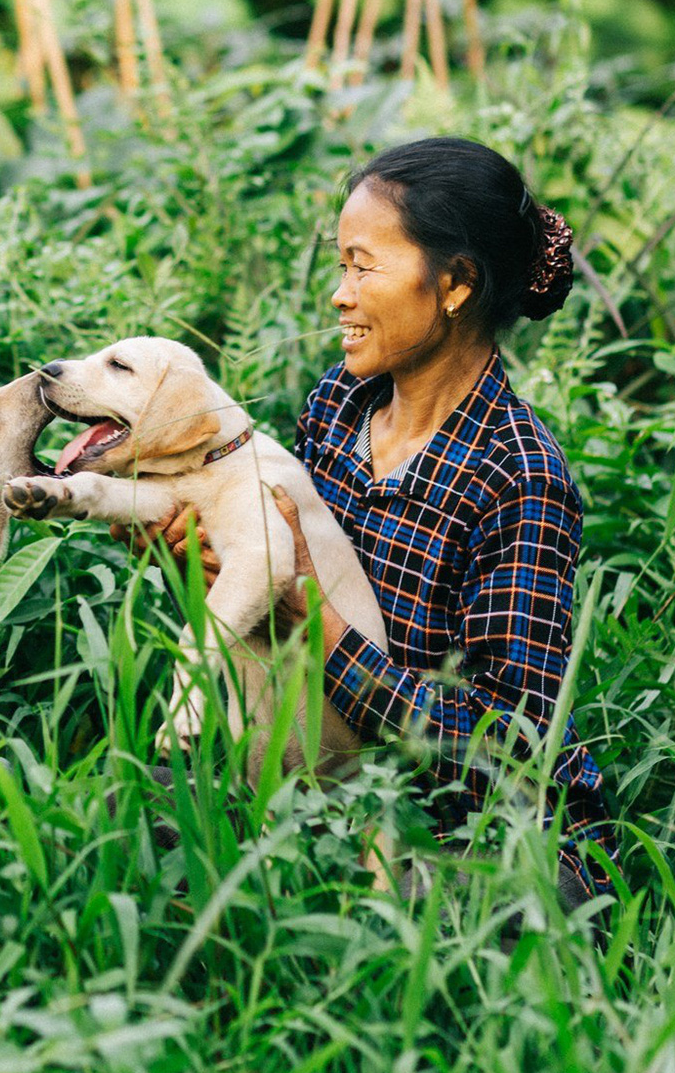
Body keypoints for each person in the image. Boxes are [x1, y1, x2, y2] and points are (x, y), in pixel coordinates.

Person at [128, 136, 618, 911]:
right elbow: (268, 609)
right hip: (328, 780)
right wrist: (201, 561)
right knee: (136, 817)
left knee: (421, 908)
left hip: (468, 826)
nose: (340, 295)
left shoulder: (518, 478)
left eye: (364, 267)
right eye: (340, 266)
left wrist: (315, 620)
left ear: (454, 284)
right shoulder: (336, 406)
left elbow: (509, 750)